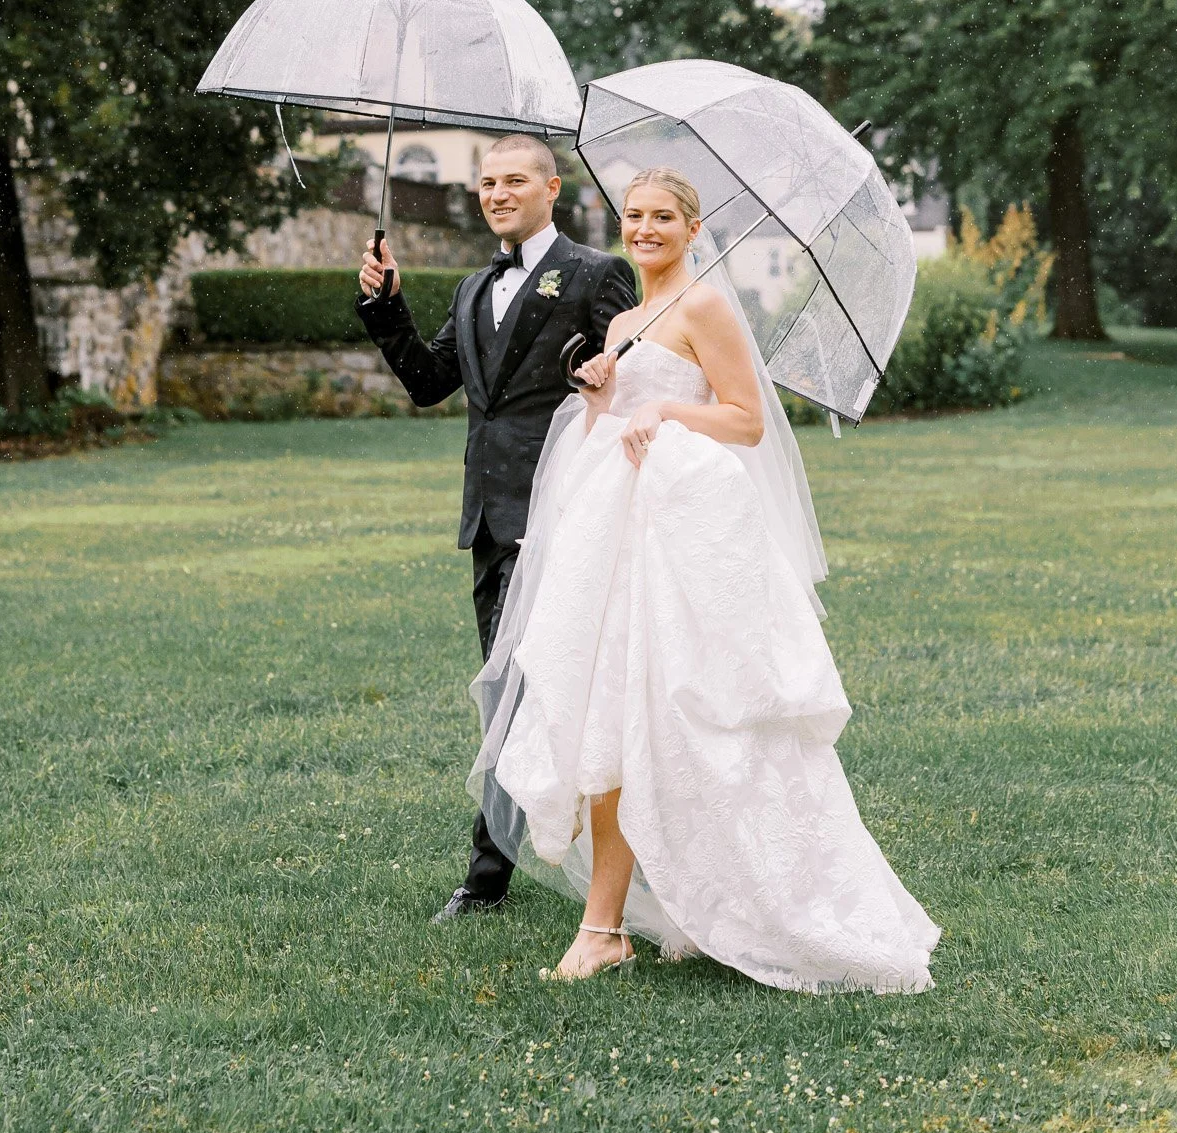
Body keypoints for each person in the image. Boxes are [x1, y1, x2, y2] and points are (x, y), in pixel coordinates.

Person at [469, 167, 940, 990]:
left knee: (685, 718)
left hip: (683, 538)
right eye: (634, 216)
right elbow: (609, 432)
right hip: (617, 535)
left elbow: (745, 420)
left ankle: (632, 922)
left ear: (693, 230)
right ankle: (621, 923)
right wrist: (604, 394)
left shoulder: (705, 306)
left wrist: (662, 410)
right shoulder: (624, 320)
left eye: (663, 217)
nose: (644, 229)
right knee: (612, 714)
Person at [357, 133, 636, 921]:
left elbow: (635, 381)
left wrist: (608, 379)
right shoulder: (473, 289)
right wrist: (384, 306)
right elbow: (428, 381)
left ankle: (487, 880)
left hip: (565, 513)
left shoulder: (595, 275)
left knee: (526, 689)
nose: (497, 194)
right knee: (507, 691)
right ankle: (535, 850)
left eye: (514, 180)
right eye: (486, 183)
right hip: (487, 519)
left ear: (551, 188)